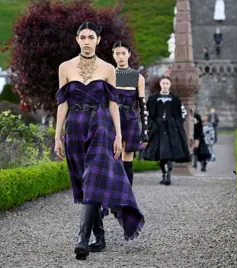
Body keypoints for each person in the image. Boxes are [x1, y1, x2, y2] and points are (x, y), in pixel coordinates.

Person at [54, 22, 144, 260]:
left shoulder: (107, 69)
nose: (86, 41)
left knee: (93, 177)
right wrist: (57, 136)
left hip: (101, 125)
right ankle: (100, 236)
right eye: (82, 36)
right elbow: (62, 104)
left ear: (98, 40)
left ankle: (82, 240)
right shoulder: (65, 67)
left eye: (90, 37)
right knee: (85, 184)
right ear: (77, 39)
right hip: (74, 126)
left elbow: (113, 104)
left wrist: (119, 135)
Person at [112, 41, 148, 186]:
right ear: (113, 55)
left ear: (129, 55)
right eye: (117, 54)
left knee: (127, 158)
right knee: (114, 157)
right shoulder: (108, 74)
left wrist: (145, 131)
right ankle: (113, 199)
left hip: (130, 120)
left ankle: (126, 200)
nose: (120, 57)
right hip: (112, 120)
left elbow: (142, 105)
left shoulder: (138, 77)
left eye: (123, 53)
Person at [143, 76, 191, 185]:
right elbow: (147, 113)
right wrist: (152, 124)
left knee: (169, 152)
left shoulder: (175, 99)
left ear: (170, 85)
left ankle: (168, 175)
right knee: (160, 153)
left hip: (172, 129)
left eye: (167, 83)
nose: (165, 85)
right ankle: (164, 173)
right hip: (157, 129)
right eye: (163, 83)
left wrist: (176, 123)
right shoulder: (153, 98)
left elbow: (183, 113)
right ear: (160, 84)